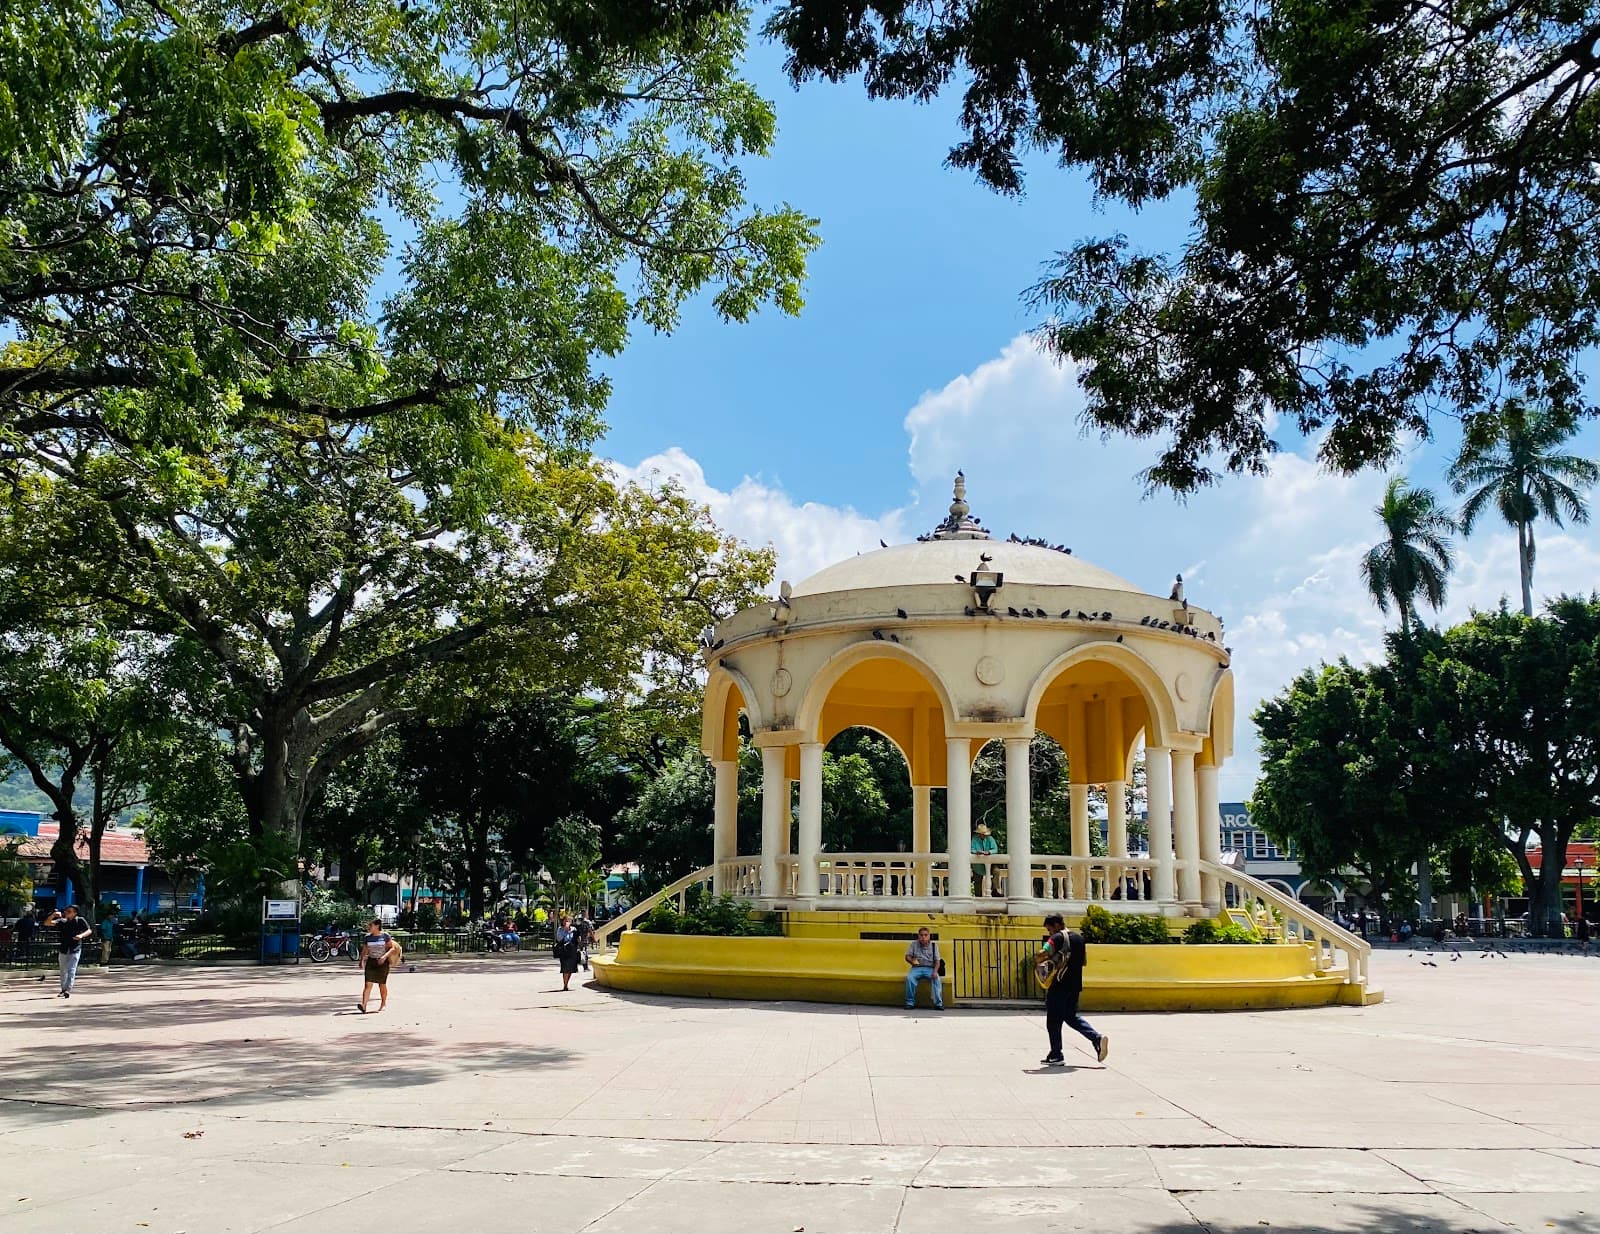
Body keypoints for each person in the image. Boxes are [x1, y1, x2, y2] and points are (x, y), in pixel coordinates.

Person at [1038, 912, 1108, 1066]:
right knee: (1071, 1017)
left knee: (1053, 1020)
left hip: (1059, 984)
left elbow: (1043, 952)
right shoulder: (1079, 938)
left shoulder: (1057, 937)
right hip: (1075, 985)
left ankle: (1057, 1054)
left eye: (1050, 929)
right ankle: (1096, 1038)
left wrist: (1041, 961)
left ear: (1056, 925)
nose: (1050, 933)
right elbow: (1083, 962)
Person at [43, 905, 94, 998]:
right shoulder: (62, 921)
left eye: (69, 911)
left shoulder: (80, 920)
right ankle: (63, 989)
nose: (66, 913)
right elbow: (47, 923)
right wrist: (53, 915)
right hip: (64, 948)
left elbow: (89, 930)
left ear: (75, 913)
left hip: (75, 948)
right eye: (66, 911)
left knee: (71, 969)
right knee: (63, 970)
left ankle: (68, 990)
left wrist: (81, 936)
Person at [356, 918, 401, 1013]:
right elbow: (365, 949)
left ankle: (383, 1003)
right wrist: (361, 960)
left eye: (371, 925)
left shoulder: (385, 936)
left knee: (382, 984)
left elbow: (392, 948)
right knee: (368, 984)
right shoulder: (368, 937)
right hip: (371, 962)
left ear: (377, 926)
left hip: (382, 963)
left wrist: (384, 957)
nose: (369, 927)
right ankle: (364, 1006)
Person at [902, 926, 944, 1010]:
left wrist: (935, 971)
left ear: (929, 936)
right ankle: (910, 1002)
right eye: (921, 935)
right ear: (918, 936)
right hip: (917, 968)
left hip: (930, 968)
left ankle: (938, 1004)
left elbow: (937, 961)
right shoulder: (914, 944)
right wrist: (912, 961)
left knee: (937, 979)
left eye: (925, 935)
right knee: (910, 978)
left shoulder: (934, 945)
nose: (923, 937)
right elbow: (907, 956)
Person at [554, 913, 580, 990]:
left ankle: (567, 982)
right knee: (565, 968)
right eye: (565, 921)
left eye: (568, 921)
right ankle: (565, 985)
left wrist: (578, 938)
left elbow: (576, 938)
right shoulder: (560, 929)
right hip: (564, 951)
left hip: (572, 950)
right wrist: (566, 930)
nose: (567, 922)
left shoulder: (574, 929)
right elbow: (559, 939)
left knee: (571, 968)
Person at [971, 823, 998, 895]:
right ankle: (977, 896)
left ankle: (995, 890)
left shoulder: (990, 839)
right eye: (982, 834)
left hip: (990, 863)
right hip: (978, 865)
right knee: (977, 881)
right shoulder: (974, 839)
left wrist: (989, 852)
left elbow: (995, 849)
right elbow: (971, 849)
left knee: (996, 871)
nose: (984, 835)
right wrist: (977, 852)